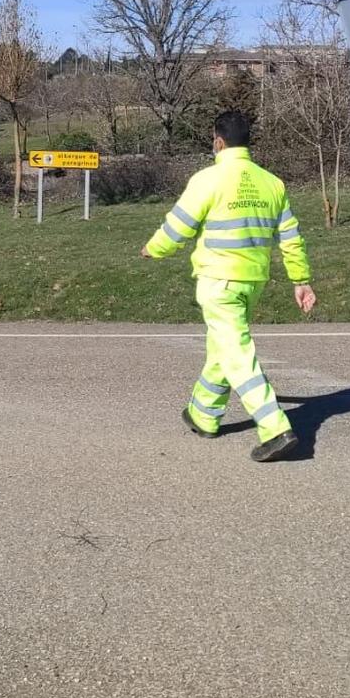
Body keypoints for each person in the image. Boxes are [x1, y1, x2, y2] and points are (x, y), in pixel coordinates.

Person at [141, 109, 315, 463]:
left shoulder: (208, 179)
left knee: (236, 353)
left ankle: (274, 426)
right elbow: (291, 238)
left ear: (217, 141)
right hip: (252, 282)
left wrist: (153, 249)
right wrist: (300, 279)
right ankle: (203, 413)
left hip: (218, 281)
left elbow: (179, 226)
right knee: (223, 347)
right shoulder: (272, 183)